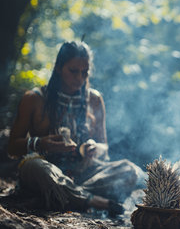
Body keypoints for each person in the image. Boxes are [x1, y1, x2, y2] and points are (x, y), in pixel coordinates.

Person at [7, 41, 145, 216]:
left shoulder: (94, 99)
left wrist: (94, 147)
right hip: (48, 170)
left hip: (84, 174)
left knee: (129, 170)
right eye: (73, 71)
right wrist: (40, 143)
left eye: (85, 73)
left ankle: (60, 195)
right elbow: (12, 147)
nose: (80, 78)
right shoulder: (34, 98)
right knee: (34, 167)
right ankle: (90, 200)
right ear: (58, 68)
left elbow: (105, 147)